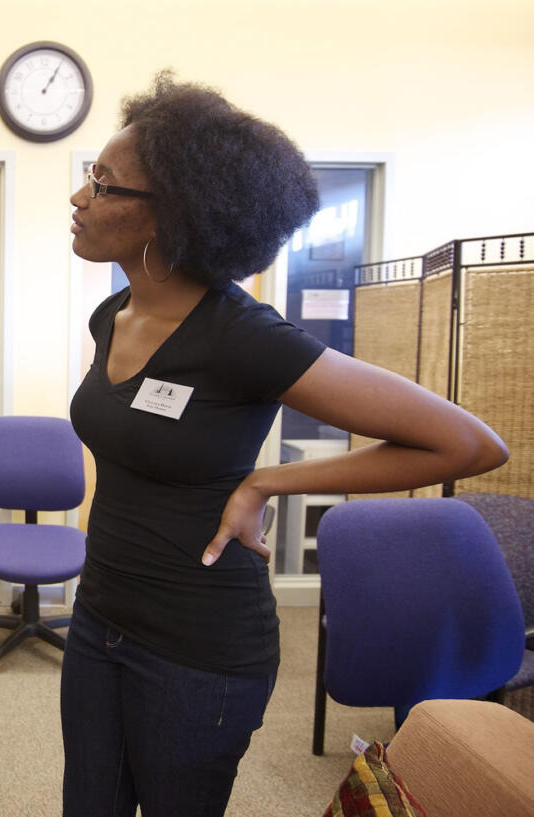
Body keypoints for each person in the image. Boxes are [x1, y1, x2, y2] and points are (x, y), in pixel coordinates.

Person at [62, 71, 508, 817]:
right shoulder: (112, 315)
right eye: (89, 177)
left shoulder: (246, 337)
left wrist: (269, 482)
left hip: (198, 651)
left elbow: (467, 442)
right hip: (99, 616)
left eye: (104, 184)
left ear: (171, 214)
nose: (80, 198)